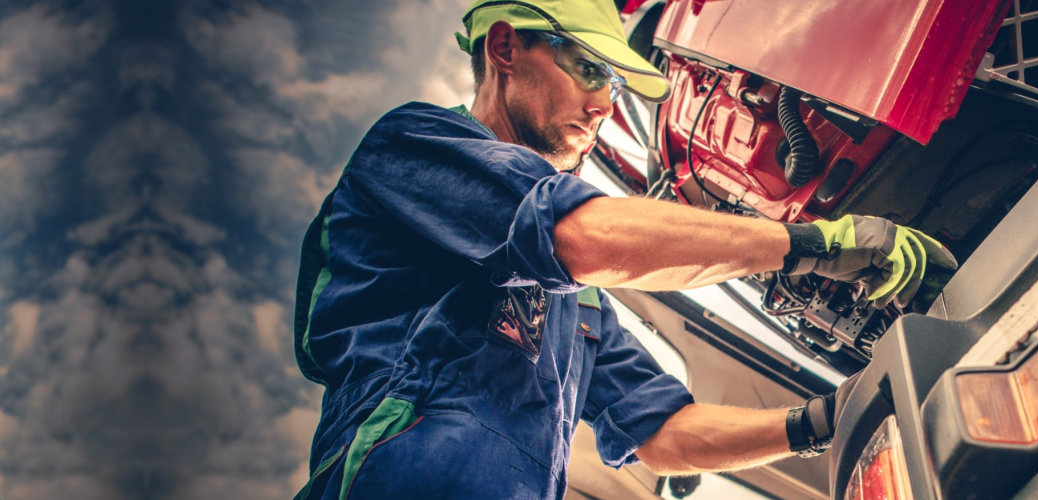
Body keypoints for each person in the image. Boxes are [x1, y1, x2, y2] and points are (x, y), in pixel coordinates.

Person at [289, 1, 956, 498]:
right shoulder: (416, 146)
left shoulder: (581, 306)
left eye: (616, 86)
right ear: (503, 48)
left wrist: (825, 419)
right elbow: (583, 236)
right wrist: (816, 244)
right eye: (590, 70)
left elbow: (668, 435)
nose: (606, 103)